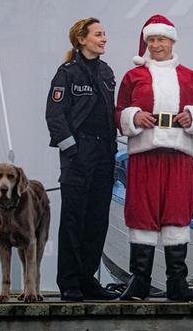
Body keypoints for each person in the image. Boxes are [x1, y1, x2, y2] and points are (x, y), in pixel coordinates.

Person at [115, 14, 193, 301]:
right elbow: (118, 111)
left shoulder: (190, 77)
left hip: (179, 155)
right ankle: (139, 281)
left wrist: (192, 116)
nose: (157, 45)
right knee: (142, 212)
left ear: (172, 41)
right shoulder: (134, 76)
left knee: (176, 213)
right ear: (146, 43)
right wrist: (133, 116)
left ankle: (177, 282)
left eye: (162, 39)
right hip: (144, 153)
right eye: (152, 40)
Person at [45, 17, 120, 301]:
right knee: (74, 218)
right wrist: (72, 150)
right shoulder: (67, 73)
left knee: (97, 219)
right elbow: (54, 116)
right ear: (81, 39)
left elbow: (110, 112)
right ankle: (69, 283)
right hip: (79, 155)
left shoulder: (106, 72)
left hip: (104, 154)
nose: (104, 39)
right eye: (98, 34)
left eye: (105, 34)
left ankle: (88, 279)